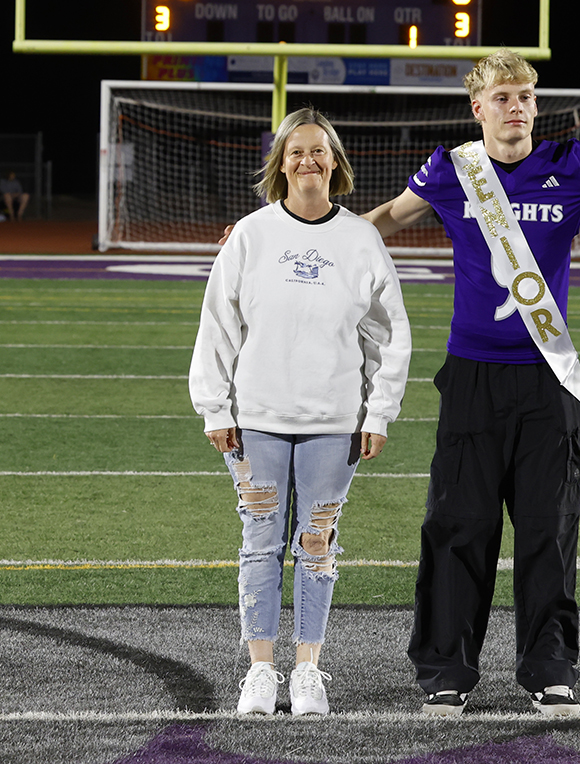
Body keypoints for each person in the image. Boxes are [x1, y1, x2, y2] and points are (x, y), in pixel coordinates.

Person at [362, 48, 580, 717]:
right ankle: (445, 670)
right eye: (503, 96)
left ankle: (550, 668)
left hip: (547, 381)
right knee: (456, 528)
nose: (517, 107)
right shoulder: (451, 169)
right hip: (471, 377)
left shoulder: (571, 164)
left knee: (548, 531)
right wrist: (308, 241)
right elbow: (387, 219)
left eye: (526, 95)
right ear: (477, 108)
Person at [190, 107, 412, 716]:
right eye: (296, 152)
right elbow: (218, 325)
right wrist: (214, 406)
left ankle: (308, 670)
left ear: (336, 163)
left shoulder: (361, 240)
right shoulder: (251, 236)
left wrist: (378, 413)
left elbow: (389, 335)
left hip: (334, 422)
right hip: (257, 418)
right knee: (261, 542)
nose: (307, 160)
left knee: (316, 544)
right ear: (280, 163)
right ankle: (260, 672)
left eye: (319, 151)